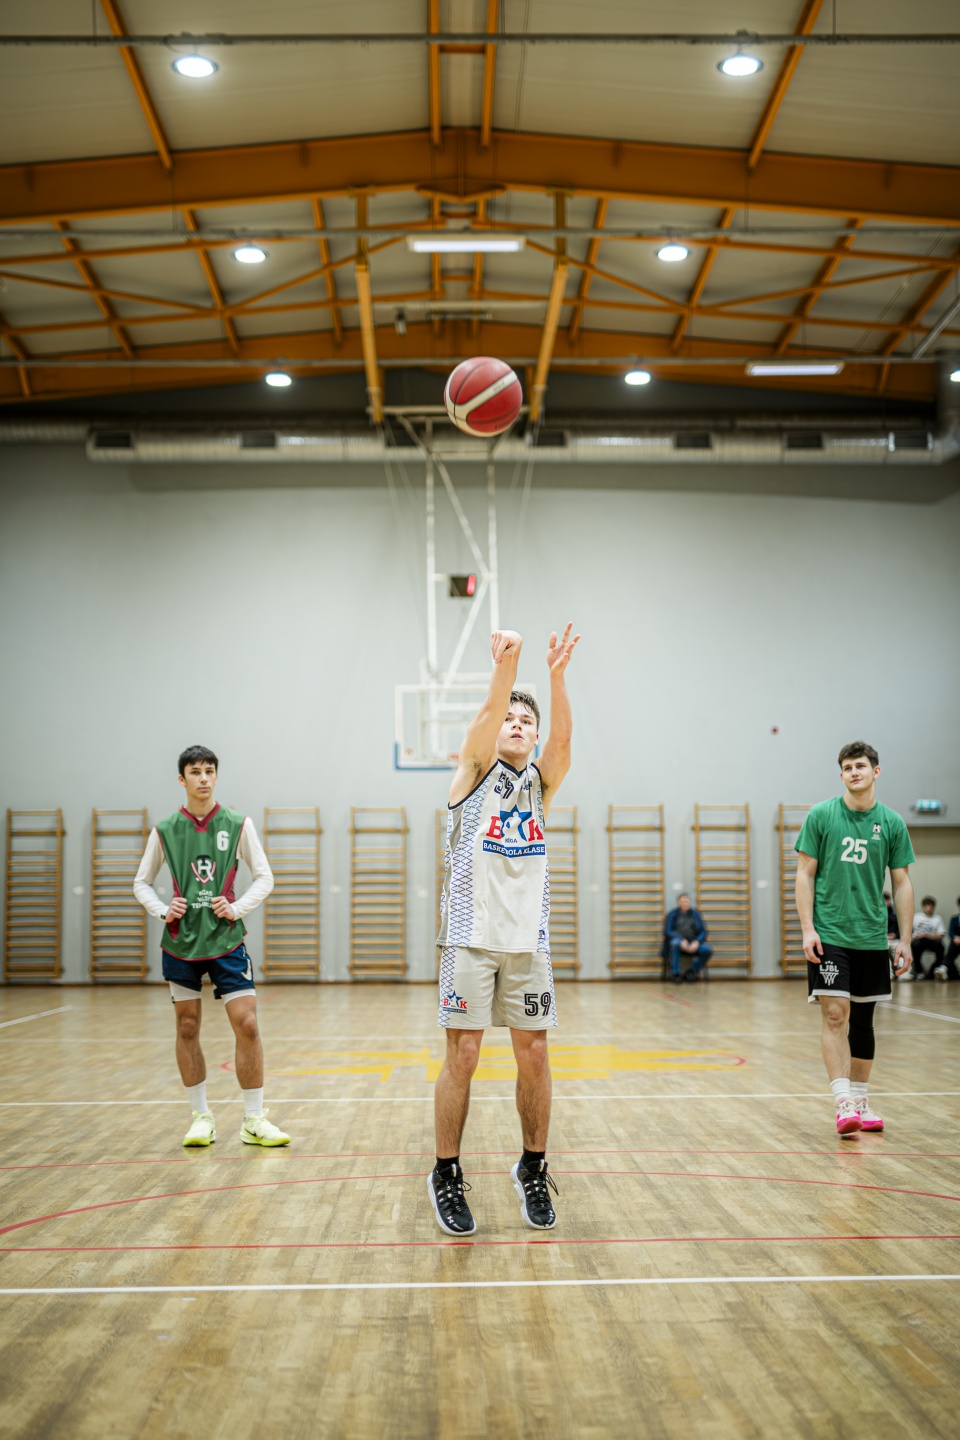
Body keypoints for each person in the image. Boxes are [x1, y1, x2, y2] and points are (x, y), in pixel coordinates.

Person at [429, 623, 580, 1237]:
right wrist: (508, 664)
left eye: (526, 721)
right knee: (463, 1054)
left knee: (535, 1054)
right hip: (470, 937)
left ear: (534, 736)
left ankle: (533, 1166)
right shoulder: (472, 773)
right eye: (509, 719)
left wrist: (556, 676)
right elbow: (490, 712)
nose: (516, 724)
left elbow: (563, 743)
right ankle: (446, 1171)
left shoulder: (541, 785)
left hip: (528, 942)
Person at [133, 745, 291, 1149]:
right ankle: (201, 1117)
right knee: (187, 1026)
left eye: (209, 771)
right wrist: (162, 909)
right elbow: (141, 882)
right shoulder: (166, 829)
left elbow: (265, 876)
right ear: (182, 779)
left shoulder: (237, 823)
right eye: (195, 772)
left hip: (226, 940)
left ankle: (254, 1119)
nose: (203, 778)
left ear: (216, 776)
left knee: (248, 1023)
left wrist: (236, 908)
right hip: (181, 943)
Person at [795, 740, 915, 1138]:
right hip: (830, 933)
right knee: (835, 1015)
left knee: (863, 1021)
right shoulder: (822, 815)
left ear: (875, 771)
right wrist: (808, 928)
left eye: (860, 766)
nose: (854, 773)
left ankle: (861, 1101)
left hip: (872, 936)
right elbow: (804, 874)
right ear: (841, 774)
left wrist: (905, 939)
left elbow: (901, 882)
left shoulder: (892, 823)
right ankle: (843, 1100)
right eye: (847, 768)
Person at [662, 892, 713, 982]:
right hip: (678, 941)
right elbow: (668, 931)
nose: (686, 903)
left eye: (687, 901)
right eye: (683, 901)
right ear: (679, 903)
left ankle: (692, 972)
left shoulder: (695, 914)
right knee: (675, 944)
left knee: (707, 950)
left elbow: (703, 931)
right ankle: (675, 974)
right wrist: (681, 939)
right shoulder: (672, 914)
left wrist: (697, 941)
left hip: (693, 941)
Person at [910, 896, 947, 980]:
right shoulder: (916, 917)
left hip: (931, 940)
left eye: (931, 906)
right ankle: (919, 971)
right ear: (923, 907)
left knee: (941, 948)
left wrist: (927, 935)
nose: (929, 908)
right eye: (927, 906)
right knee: (914, 947)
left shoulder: (938, 918)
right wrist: (912, 938)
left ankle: (933, 971)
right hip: (918, 940)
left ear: (933, 907)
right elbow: (908, 930)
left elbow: (941, 935)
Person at [948, 899, 960, 981]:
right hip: (956, 941)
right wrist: (955, 938)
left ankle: (944, 967)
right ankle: (944, 968)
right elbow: (951, 932)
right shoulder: (954, 919)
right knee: (952, 945)